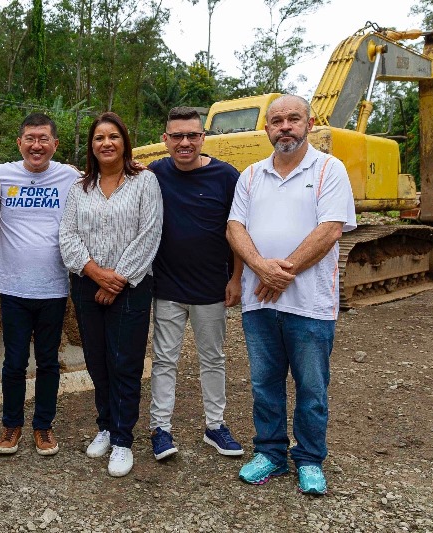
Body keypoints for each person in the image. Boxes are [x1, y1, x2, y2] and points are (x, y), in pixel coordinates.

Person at [226, 94, 356, 495]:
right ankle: (270, 453)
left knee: (312, 388)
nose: (285, 126)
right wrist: (261, 267)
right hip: (259, 303)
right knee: (264, 384)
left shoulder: (329, 169)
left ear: (309, 124)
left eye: (293, 119)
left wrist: (281, 273)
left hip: (310, 304)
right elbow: (234, 228)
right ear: (267, 128)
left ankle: (310, 458)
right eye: (277, 120)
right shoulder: (251, 176)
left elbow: (330, 229)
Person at [59, 111, 163, 477]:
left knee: (125, 363)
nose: (106, 143)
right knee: (97, 360)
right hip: (87, 285)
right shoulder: (80, 188)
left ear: (124, 142)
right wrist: (96, 274)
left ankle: (122, 439)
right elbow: (67, 236)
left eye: (113, 136)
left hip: (131, 286)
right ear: (91, 146)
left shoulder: (144, 182)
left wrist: (117, 279)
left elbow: (150, 233)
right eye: (99, 137)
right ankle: (105, 425)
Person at [148, 106, 244, 461]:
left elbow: (238, 230)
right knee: (164, 360)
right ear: (166, 139)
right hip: (167, 288)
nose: (184, 142)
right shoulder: (155, 173)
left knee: (213, 358)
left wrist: (236, 278)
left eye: (192, 135)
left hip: (211, 288)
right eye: (177, 136)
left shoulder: (225, 176)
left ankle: (215, 426)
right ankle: (160, 428)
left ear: (203, 138)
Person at [0, 113, 79, 456]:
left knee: (48, 362)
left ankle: (43, 426)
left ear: (55, 144)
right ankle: (11, 425)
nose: (36, 145)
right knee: (14, 362)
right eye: (30, 138)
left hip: (53, 288)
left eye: (43, 139)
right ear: (19, 143)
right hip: (13, 287)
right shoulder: (0, 175)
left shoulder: (69, 176)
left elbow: (109, 177)